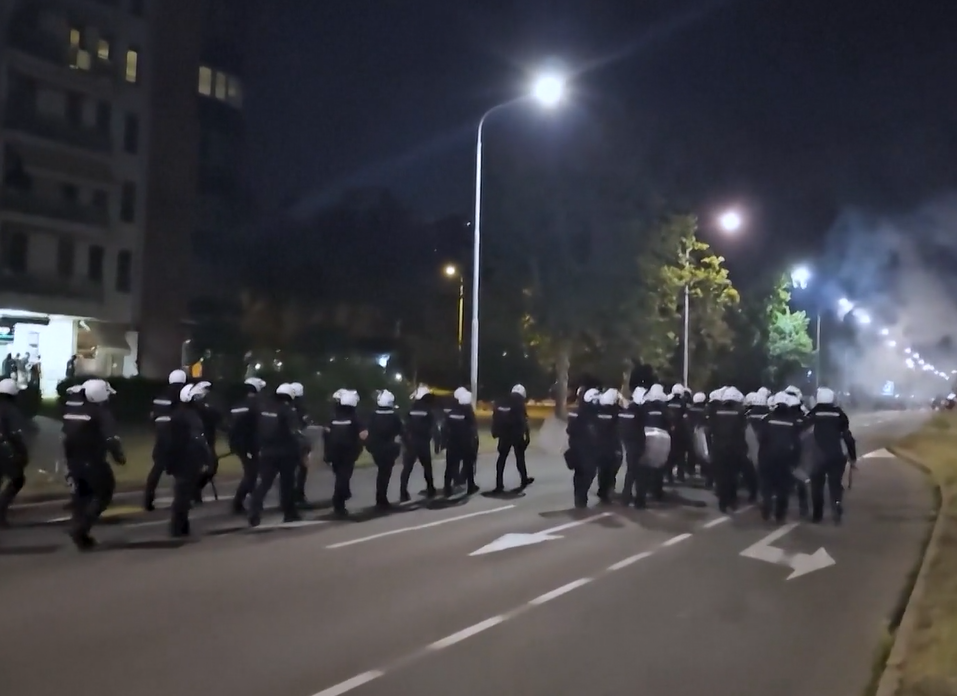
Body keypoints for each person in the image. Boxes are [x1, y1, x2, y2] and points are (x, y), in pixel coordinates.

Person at [62, 379, 126, 550]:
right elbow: (110, 439)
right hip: (94, 461)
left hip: (74, 462)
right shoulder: (100, 413)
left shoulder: (73, 411)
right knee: (104, 493)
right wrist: (119, 456)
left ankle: (81, 534)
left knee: (81, 496)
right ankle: (80, 529)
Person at [248, 383, 305, 526]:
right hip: (286, 452)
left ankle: (254, 511)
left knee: (264, 483)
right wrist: (304, 447)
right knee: (287, 484)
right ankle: (289, 513)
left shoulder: (265, 408)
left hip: (267, 451)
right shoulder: (288, 410)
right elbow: (295, 432)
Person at [806, 387, 857, 524]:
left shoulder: (812, 414)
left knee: (817, 485)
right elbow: (848, 437)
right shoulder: (840, 414)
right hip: (836, 455)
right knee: (835, 483)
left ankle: (817, 515)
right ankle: (837, 504)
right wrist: (853, 457)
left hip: (817, 456)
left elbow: (804, 435)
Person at [168, 382, 213, 537]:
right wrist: (207, 458)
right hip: (187, 460)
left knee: (183, 494)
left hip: (180, 459)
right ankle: (178, 528)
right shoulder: (190, 417)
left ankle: (181, 526)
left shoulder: (179, 414)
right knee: (182, 495)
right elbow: (198, 439)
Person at [144, 369, 189, 511]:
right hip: (176, 436)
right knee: (183, 470)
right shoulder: (181, 395)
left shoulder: (160, 396)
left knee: (157, 468)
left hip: (161, 436)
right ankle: (184, 500)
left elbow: (152, 416)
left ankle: (148, 498)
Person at [756, 392, 804, 522]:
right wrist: (795, 460)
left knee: (766, 484)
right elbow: (797, 442)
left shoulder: (767, 418)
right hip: (785, 459)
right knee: (783, 487)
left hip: (767, 457)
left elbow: (760, 437)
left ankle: (767, 504)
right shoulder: (793, 421)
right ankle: (780, 514)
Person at [323, 389, 366, 516]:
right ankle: (339, 503)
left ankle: (342, 497)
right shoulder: (355, 419)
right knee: (344, 477)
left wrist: (327, 452)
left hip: (333, 452)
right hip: (348, 453)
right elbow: (363, 435)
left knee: (339, 476)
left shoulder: (333, 418)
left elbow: (325, 434)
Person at [228, 377, 266, 514]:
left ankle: (253, 501)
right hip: (250, 444)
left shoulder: (238, 404)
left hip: (238, 443)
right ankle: (238, 503)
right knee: (251, 474)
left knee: (252, 472)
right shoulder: (256, 405)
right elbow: (258, 427)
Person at [709, 387, 748, 513]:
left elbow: (710, 429)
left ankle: (722, 502)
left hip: (718, 447)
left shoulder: (716, 411)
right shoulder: (740, 413)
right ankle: (732, 500)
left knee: (721, 476)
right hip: (734, 449)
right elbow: (743, 431)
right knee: (732, 476)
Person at [491, 384, 533, 493]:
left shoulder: (503, 400)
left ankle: (499, 484)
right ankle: (524, 479)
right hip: (516, 434)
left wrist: (495, 432)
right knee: (520, 457)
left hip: (503, 434)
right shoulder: (519, 403)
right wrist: (527, 436)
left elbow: (495, 417)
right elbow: (523, 420)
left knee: (502, 458)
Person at [366, 389, 404, 509]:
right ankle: (382, 499)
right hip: (388, 448)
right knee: (385, 473)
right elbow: (401, 431)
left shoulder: (373, 415)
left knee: (382, 473)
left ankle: (380, 498)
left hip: (376, 448)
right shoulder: (394, 416)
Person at [0, 378, 29, 525]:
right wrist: (22, 452)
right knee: (17, 479)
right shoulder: (11, 410)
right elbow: (15, 434)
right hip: (5, 450)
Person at [400, 386, 436, 501]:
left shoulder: (410, 409)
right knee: (427, 467)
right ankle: (430, 489)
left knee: (407, 469)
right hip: (423, 443)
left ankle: (403, 493)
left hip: (411, 442)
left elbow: (404, 426)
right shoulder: (428, 410)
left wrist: (405, 441)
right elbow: (432, 427)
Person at [567, 387, 601, 508]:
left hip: (576, 446)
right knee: (588, 472)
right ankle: (581, 496)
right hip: (586, 448)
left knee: (580, 473)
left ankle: (579, 496)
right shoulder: (589, 413)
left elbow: (569, 430)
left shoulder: (576, 411)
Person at [444, 387, 480, 496]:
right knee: (468, 465)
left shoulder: (451, 411)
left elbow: (445, 427)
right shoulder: (468, 412)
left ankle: (447, 488)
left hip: (452, 442)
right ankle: (470, 487)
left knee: (450, 466)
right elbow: (472, 428)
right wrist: (474, 441)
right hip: (465, 443)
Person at [618, 387, 648, 507]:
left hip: (627, 444)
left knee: (630, 471)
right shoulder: (640, 412)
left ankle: (626, 496)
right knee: (641, 472)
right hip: (638, 444)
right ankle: (639, 500)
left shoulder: (626, 411)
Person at [642, 384, 671, 501]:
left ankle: (646, 488)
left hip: (647, 436)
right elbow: (669, 421)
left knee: (646, 463)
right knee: (659, 465)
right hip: (662, 437)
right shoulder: (664, 406)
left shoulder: (645, 405)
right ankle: (657, 491)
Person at [595, 388, 622, 503]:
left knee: (602, 468)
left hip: (599, 443)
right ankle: (609, 488)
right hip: (612, 443)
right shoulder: (616, 410)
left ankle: (602, 490)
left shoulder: (598, 409)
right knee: (613, 467)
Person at [289, 382, 313, 506]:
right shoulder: (300, 407)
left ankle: (290, 496)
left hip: (288, 442)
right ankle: (299, 496)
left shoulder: (285, 405)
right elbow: (304, 424)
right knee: (301, 469)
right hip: (298, 442)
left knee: (290, 471)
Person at [666, 384, 690, 483]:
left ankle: (669, 475)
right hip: (680, 432)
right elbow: (686, 418)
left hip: (669, 432)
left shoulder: (667, 402)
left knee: (669, 454)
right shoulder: (683, 403)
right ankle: (680, 475)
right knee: (681, 455)